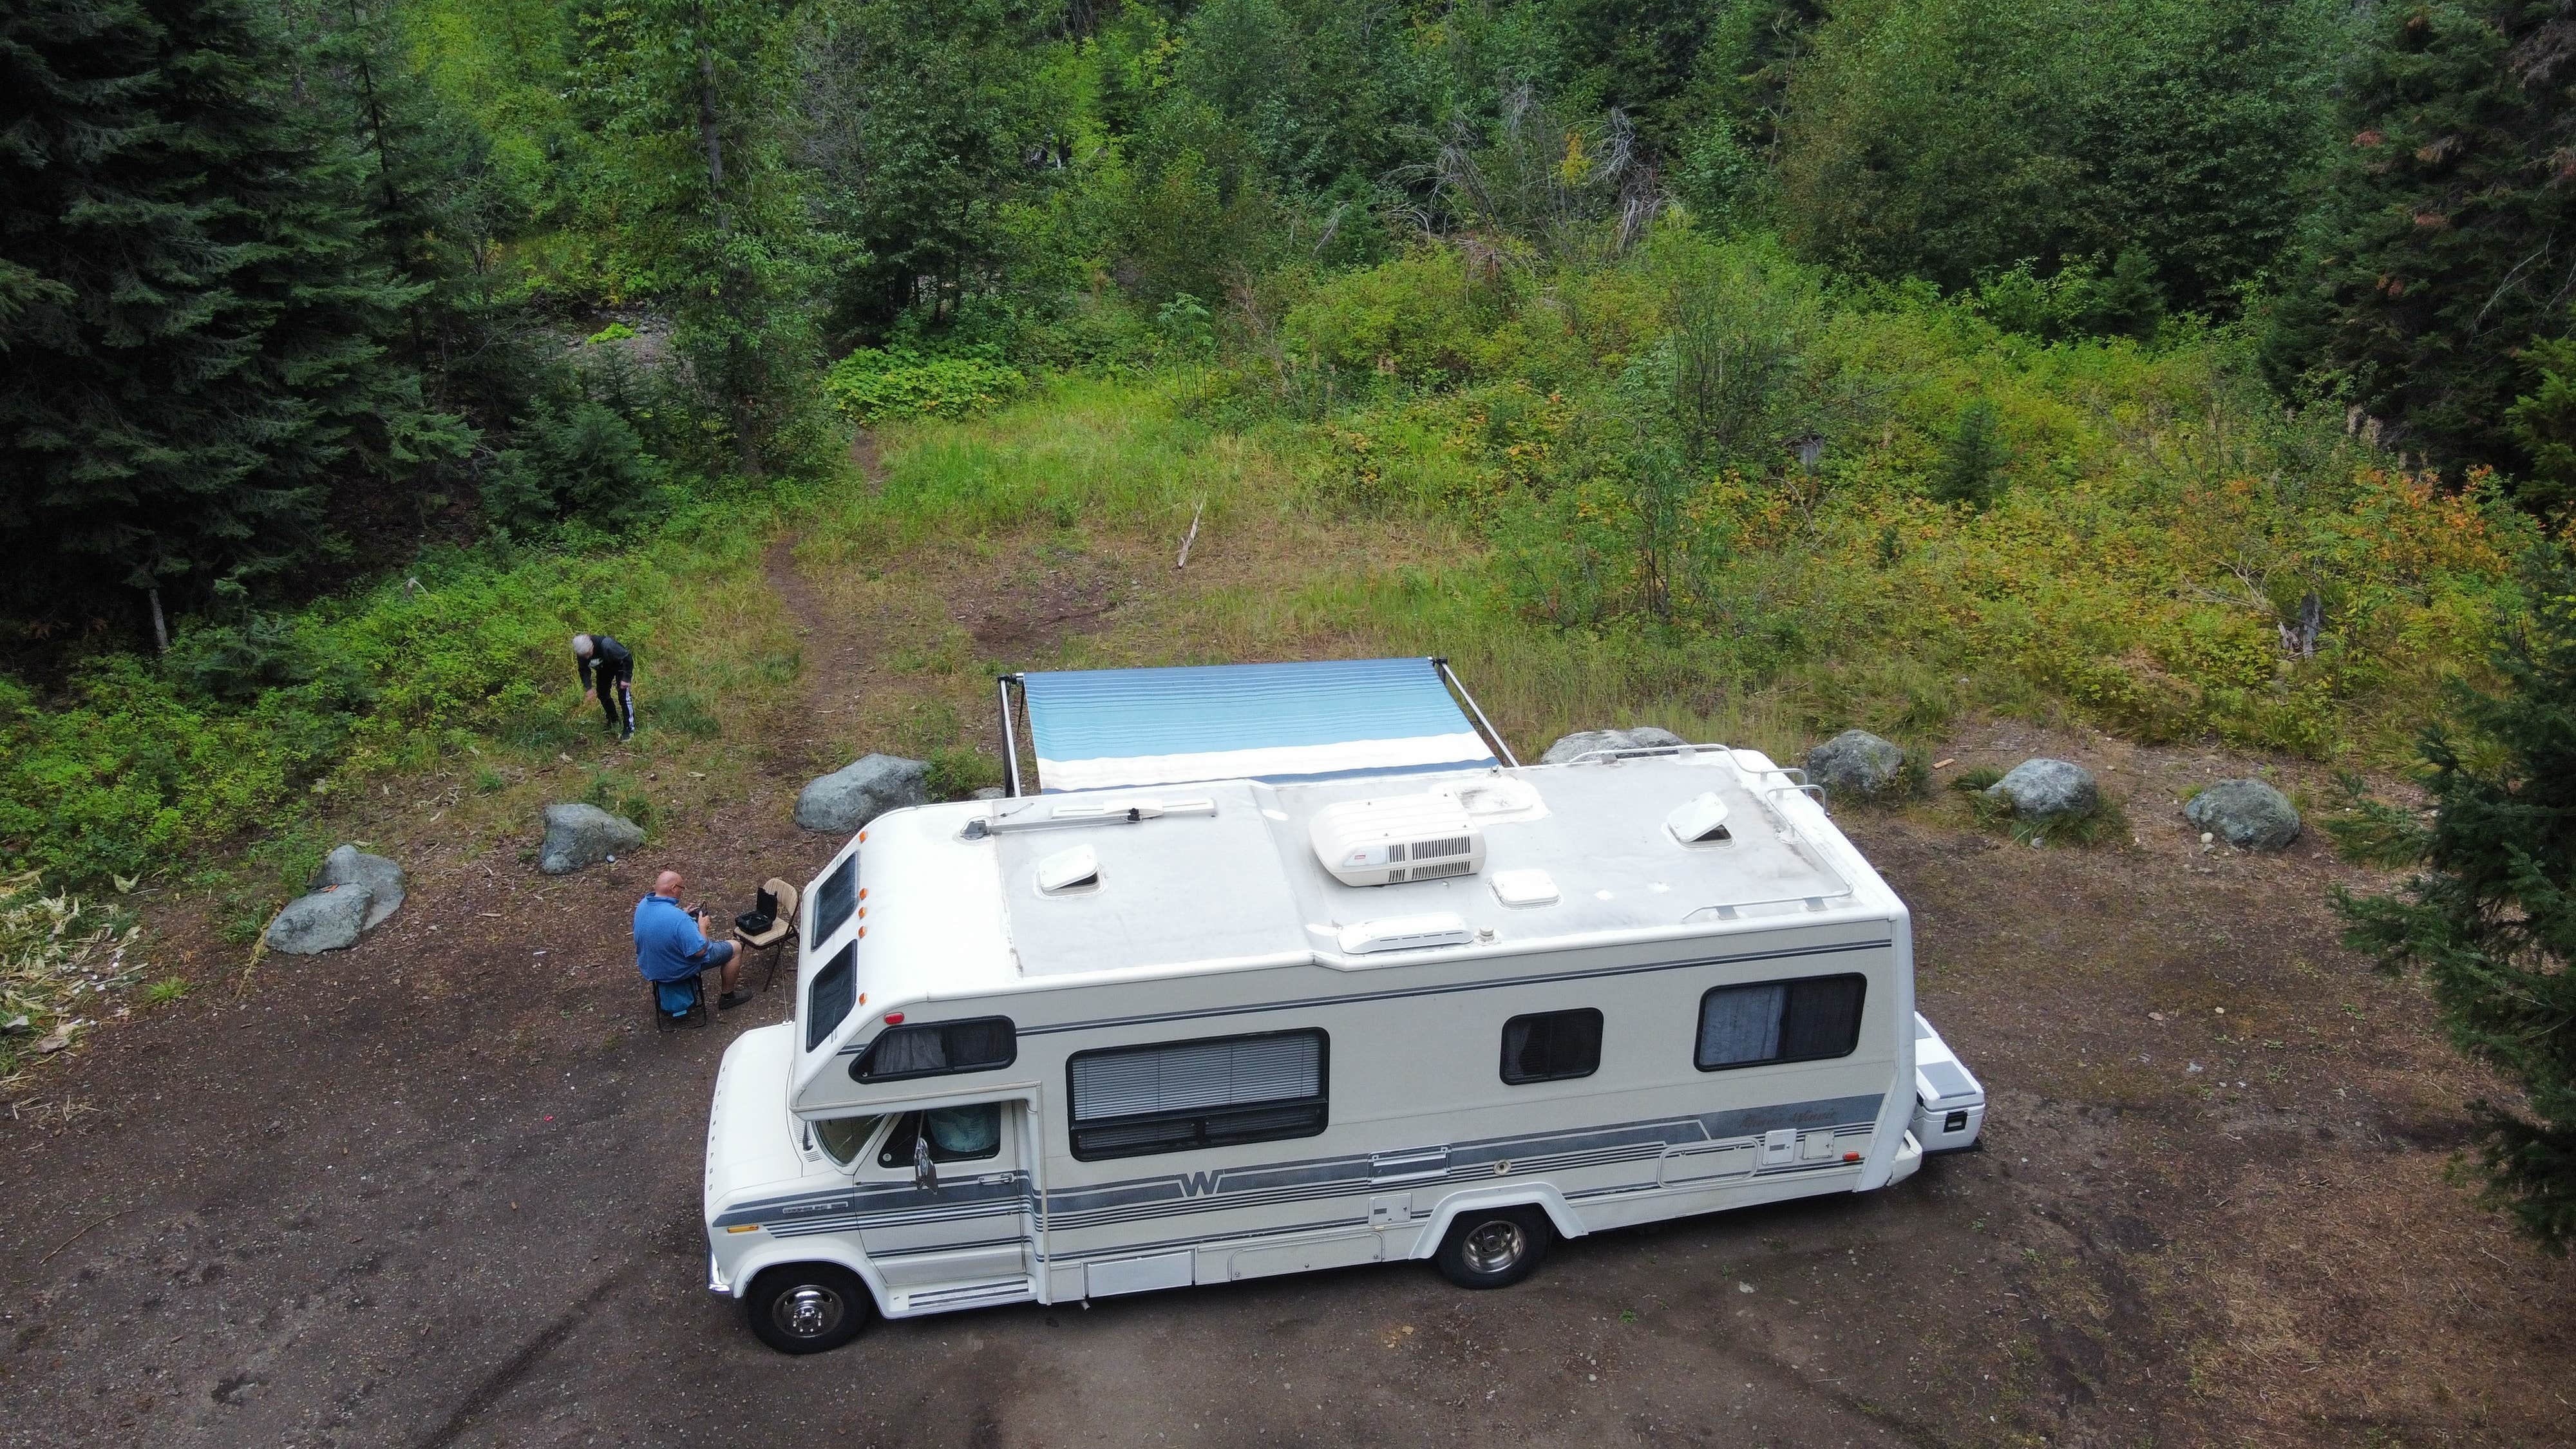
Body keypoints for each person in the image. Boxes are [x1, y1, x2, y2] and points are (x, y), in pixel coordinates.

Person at [635, 869, 747, 1019]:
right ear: (674, 888)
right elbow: (700, 951)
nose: (682, 892)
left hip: (652, 967)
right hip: (675, 970)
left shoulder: (643, 905)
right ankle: (728, 997)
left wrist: (681, 914)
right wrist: (702, 926)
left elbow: (662, 925)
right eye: (681, 888)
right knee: (735, 948)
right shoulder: (678, 919)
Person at [573, 632, 635, 740]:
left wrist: (626, 678)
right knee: (602, 693)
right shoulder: (582, 652)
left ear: (592, 646)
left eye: (589, 653)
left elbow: (627, 658)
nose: (587, 657)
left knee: (623, 696)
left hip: (620, 665)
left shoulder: (607, 645)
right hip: (604, 669)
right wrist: (588, 688)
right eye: (584, 655)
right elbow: (583, 670)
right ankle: (613, 720)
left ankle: (629, 728)